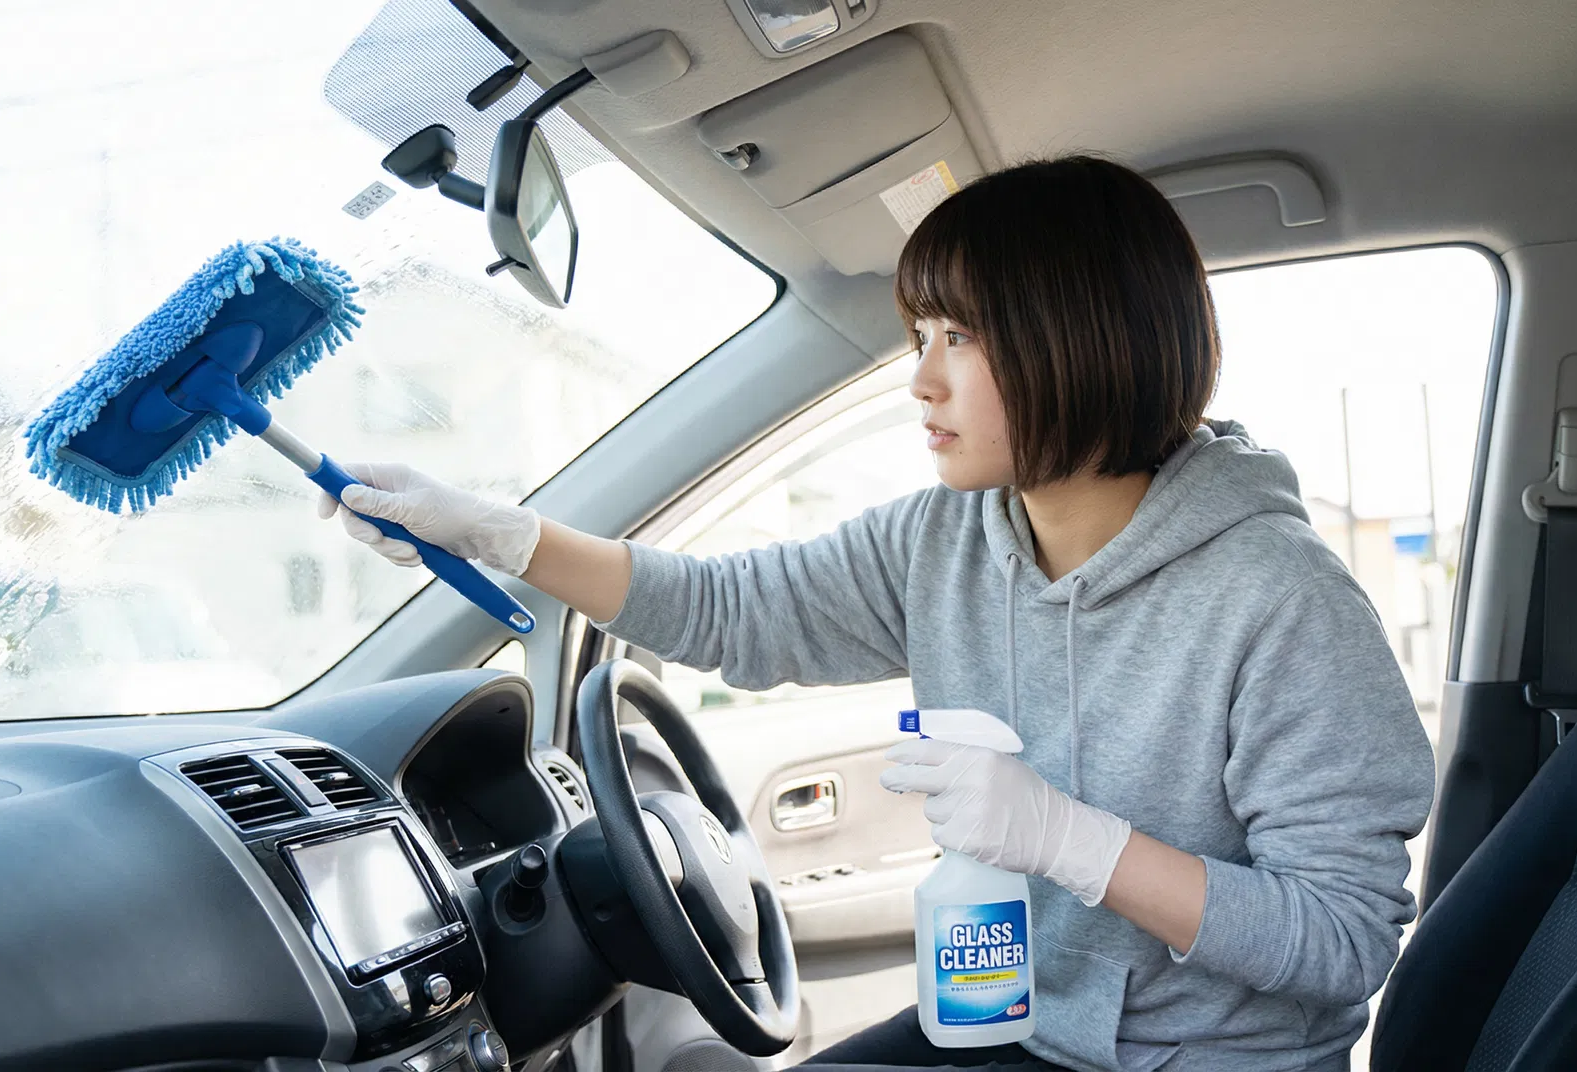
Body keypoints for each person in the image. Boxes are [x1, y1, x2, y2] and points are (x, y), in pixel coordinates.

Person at [318, 156, 1436, 1071]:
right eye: (919, 338)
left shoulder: (1279, 598)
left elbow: (1340, 941)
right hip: (1022, 1026)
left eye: (959, 337)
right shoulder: (946, 538)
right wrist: (506, 536)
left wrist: (1071, 841)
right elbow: (734, 612)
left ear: (1080, 340)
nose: (921, 380)